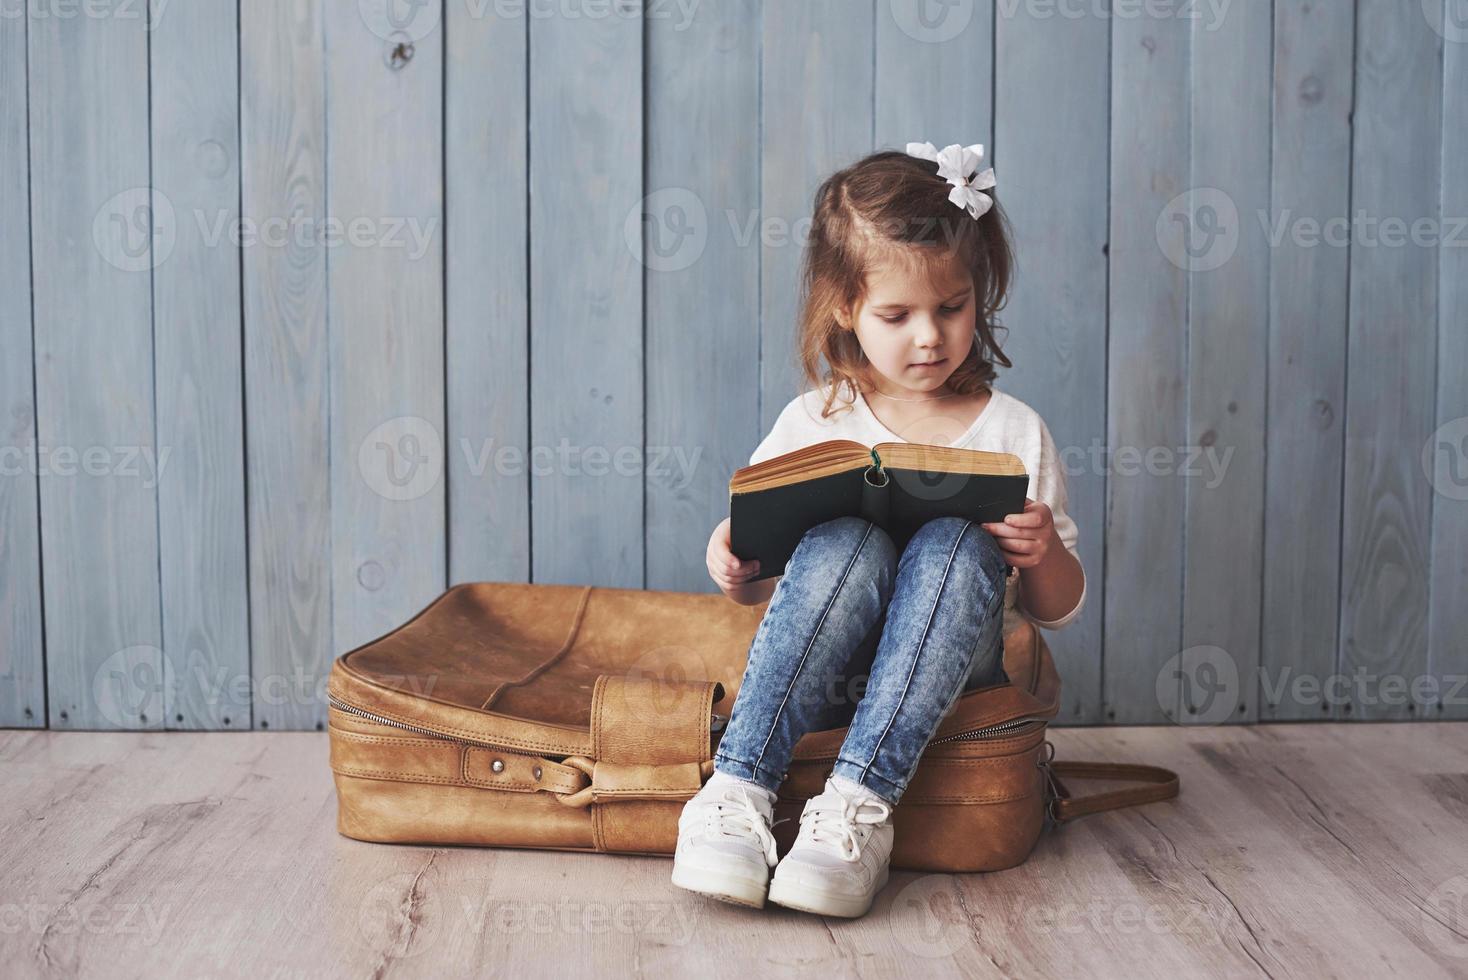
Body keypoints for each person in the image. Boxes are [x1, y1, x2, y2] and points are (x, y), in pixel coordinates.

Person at [670, 142, 1086, 919]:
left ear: (980, 294)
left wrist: (1045, 556)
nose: (928, 338)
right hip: (818, 680)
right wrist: (731, 562)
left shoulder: (1013, 430)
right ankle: (736, 790)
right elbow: (758, 579)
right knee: (845, 543)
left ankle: (855, 810)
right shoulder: (814, 421)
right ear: (845, 309)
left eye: (952, 308)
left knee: (956, 544)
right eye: (896, 316)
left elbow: (1057, 610)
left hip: (947, 688)